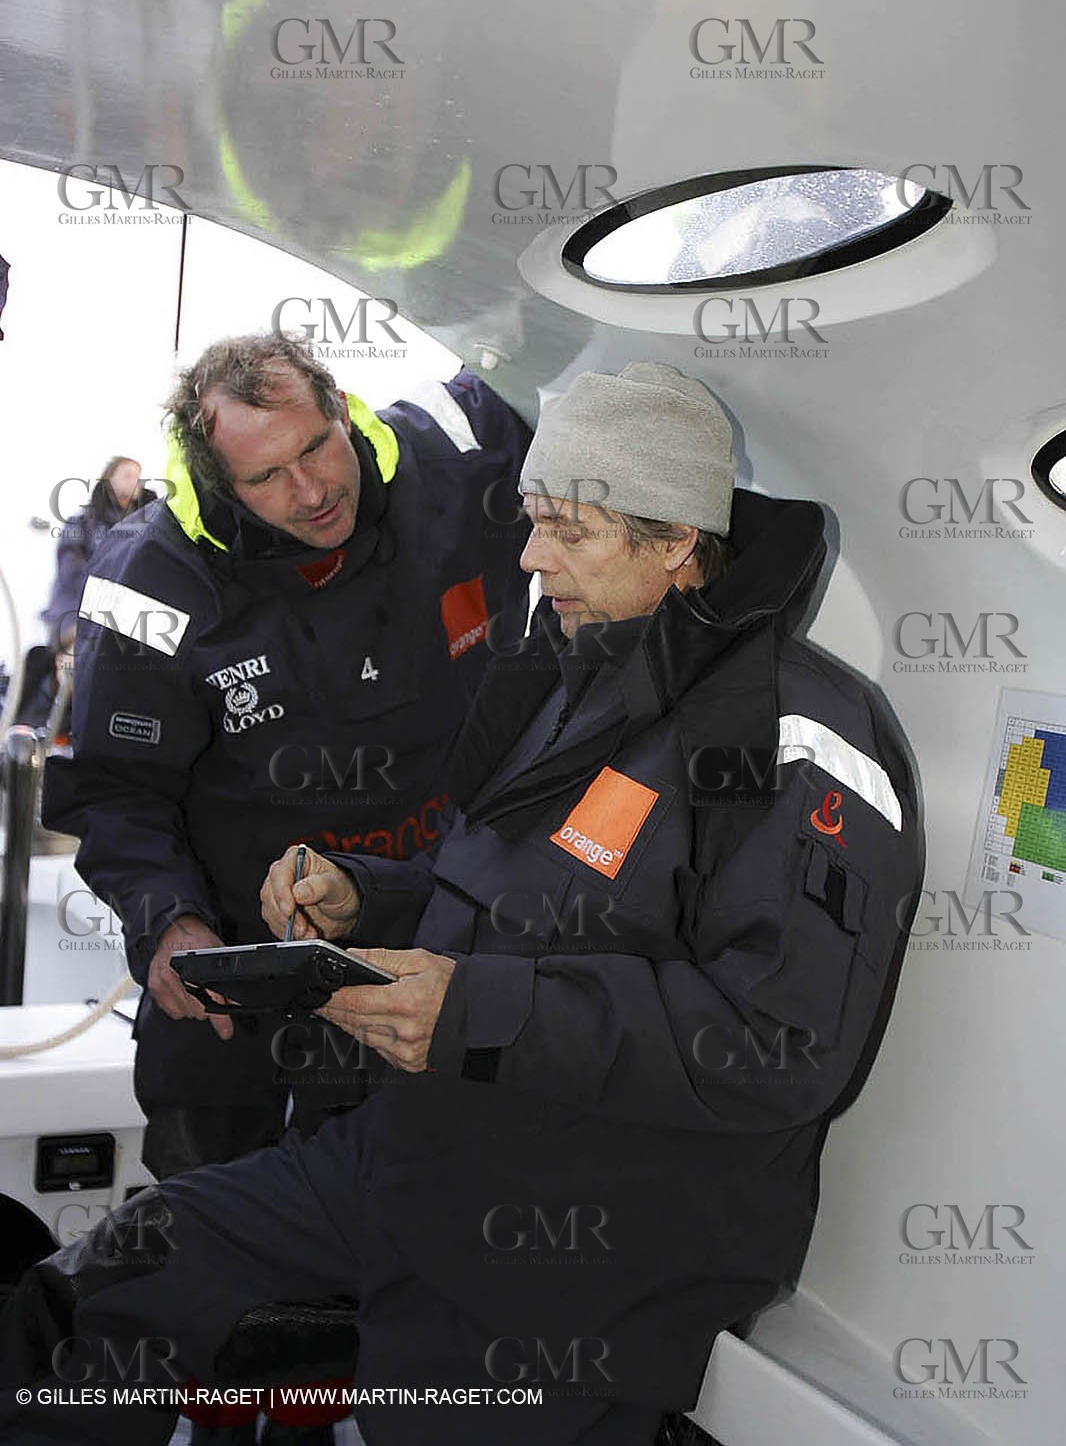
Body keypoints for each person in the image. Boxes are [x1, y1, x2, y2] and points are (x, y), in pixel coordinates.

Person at [8, 363, 924, 1446]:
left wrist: (472, 1013)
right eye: (531, 522)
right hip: (420, 1150)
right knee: (96, 1289)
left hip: (583, 1233)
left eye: (567, 531)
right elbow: (501, 893)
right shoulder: (573, 669)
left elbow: (774, 1042)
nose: (531, 558)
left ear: (675, 539)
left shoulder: (797, 743)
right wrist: (368, 898)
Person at [39, 333, 532, 1446]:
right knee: (207, 1257)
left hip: (416, 940)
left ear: (341, 409)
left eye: (320, 446)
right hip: (231, 982)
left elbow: (526, 369)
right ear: (219, 483)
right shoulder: (148, 578)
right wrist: (170, 925)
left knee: (393, 1240)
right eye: (266, 476)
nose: (313, 491)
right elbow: (113, 792)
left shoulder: (448, 463)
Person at [42, 457, 157, 648]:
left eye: (138, 477)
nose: (134, 481)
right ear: (110, 480)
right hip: (78, 614)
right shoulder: (81, 523)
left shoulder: (150, 527)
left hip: (130, 616)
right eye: (127, 475)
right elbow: (71, 572)